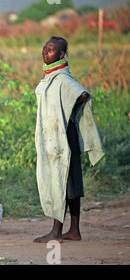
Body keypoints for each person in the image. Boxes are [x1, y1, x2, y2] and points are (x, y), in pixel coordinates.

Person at [33, 36, 105, 243]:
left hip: (64, 136)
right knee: (71, 182)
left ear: (61, 55)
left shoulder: (63, 79)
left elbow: (81, 94)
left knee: (61, 181)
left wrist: (67, 107)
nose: (45, 52)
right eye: (45, 48)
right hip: (55, 137)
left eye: (51, 50)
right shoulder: (51, 76)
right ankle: (74, 230)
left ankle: (56, 232)